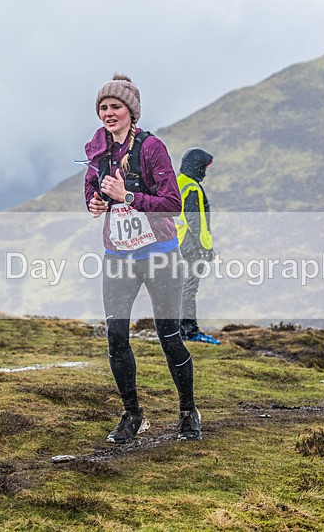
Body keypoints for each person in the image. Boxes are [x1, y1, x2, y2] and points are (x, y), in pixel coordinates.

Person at [83, 74, 201, 443]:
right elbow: (90, 186)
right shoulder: (97, 149)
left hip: (160, 255)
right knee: (116, 337)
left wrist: (129, 196)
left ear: (131, 111)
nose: (108, 113)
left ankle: (187, 412)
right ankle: (133, 415)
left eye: (115, 106)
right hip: (117, 256)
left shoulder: (151, 148)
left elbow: (172, 204)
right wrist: (95, 201)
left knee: (169, 336)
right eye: (103, 107)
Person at [177, 148, 221, 345]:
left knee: (182, 287)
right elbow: (197, 222)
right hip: (192, 245)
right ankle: (189, 330)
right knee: (190, 287)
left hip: (177, 242)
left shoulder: (179, 182)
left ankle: (180, 329)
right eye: (203, 167)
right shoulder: (192, 188)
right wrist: (206, 248)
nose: (204, 172)